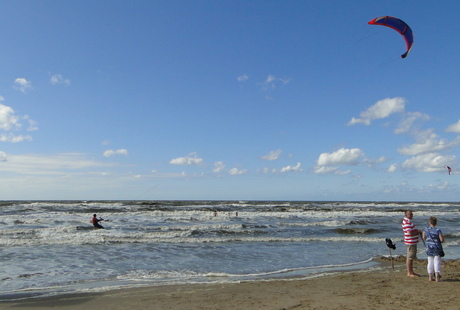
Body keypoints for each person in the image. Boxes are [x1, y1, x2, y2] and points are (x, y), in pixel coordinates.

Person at [423, 216, 445, 282]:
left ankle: (430, 277)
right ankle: (437, 277)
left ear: (430, 222)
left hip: (429, 247)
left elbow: (424, 237)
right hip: (437, 247)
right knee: (437, 262)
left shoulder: (426, 229)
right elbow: (442, 239)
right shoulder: (438, 230)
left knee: (430, 262)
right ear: (436, 223)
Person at [402, 210, 421, 277]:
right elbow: (410, 233)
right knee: (410, 257)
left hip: (412, 241)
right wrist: (417, 231)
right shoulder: (406, 222)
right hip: (410, 242)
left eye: (411, 214)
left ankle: (411, 271)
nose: (411, 215)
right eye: (409, 214)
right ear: (406, 215)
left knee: (411, 257)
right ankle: (409, 272)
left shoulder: (408, 221)